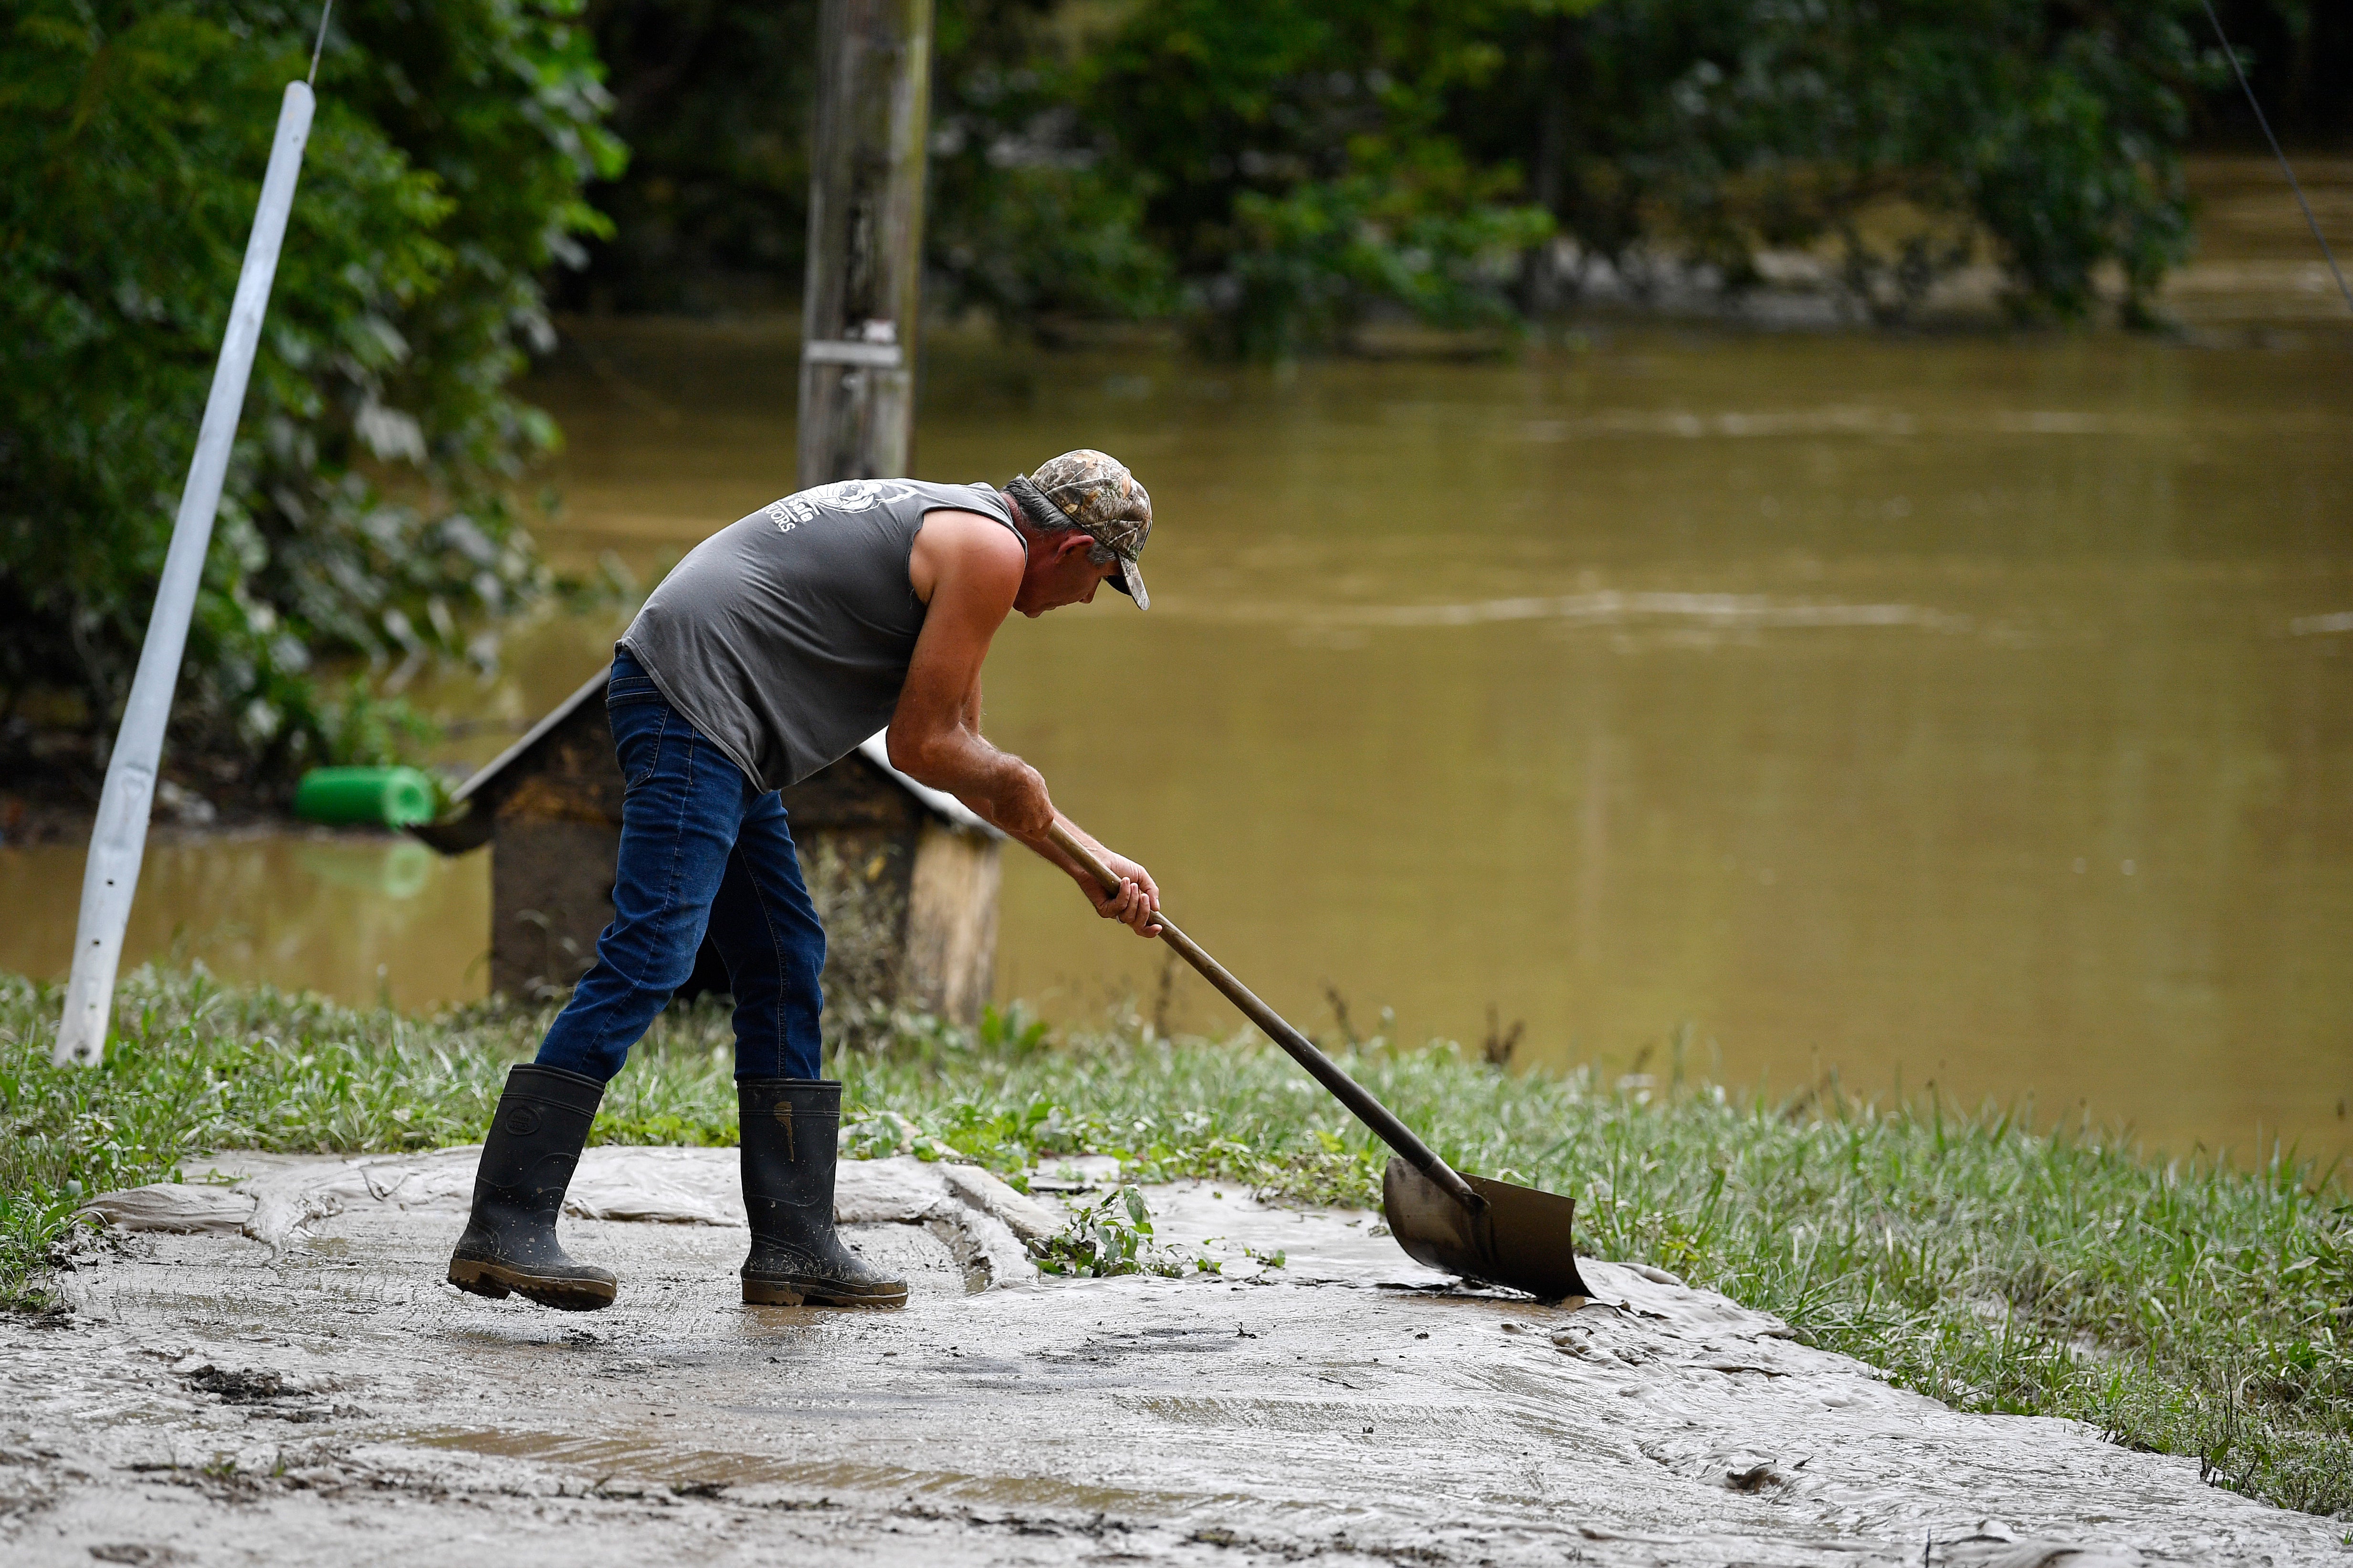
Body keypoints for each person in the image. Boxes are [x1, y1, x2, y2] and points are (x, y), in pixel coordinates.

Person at [445, 450, 1163, 1312]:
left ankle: (795, 1246)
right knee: (653, 952)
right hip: (695, 702)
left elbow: (961, 759)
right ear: (1075, 547)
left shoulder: (973, 531)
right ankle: (505, 1220)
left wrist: (1092, 862)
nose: (1089, 600)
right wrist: (1032, 791)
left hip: (719, 717)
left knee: (785, 955)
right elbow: (923, 747)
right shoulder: (990, 551)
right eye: (1104, 580)